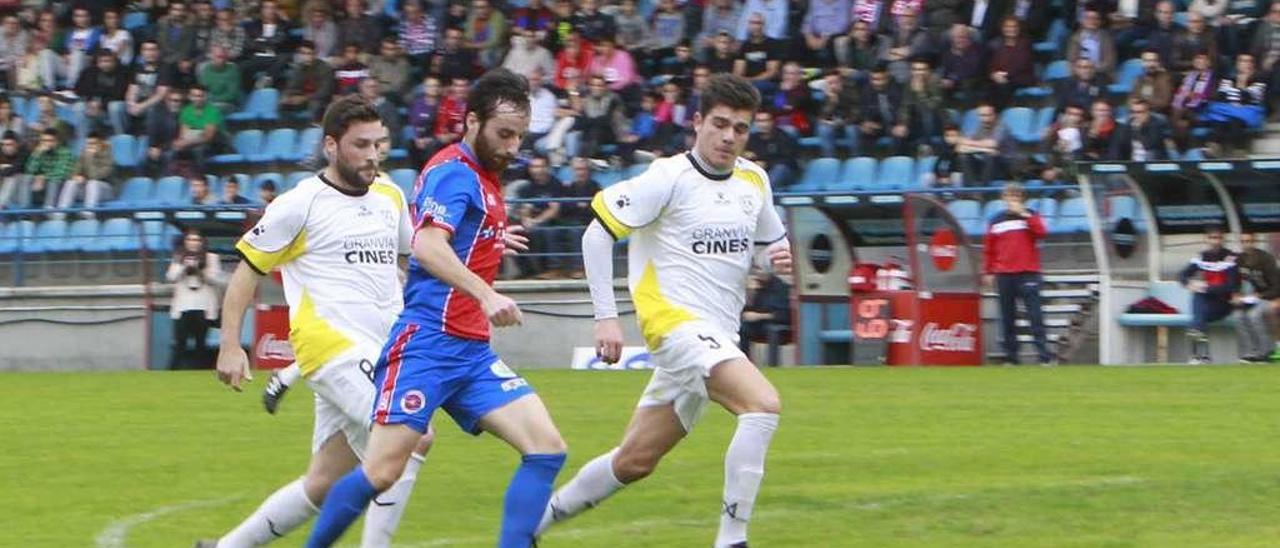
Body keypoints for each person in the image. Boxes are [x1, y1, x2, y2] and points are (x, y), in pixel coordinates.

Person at [305, 68, 567, 548]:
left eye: (520, 137)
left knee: (547, 449)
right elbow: (427, 246)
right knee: (382, 471)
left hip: (471, 354)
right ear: (471, 122)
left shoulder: (484, 178)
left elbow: (452, 236)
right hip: (426, 344)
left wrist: (489, 236)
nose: (513, 147)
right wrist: (487, 295)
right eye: (503, 134)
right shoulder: (454, 173)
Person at [538, 73, 792, 548]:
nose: (729, 136)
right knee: (762, 405)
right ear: (697, 122)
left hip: (717, 336)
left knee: (634, 461)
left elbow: (765, 246)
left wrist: (773, 258)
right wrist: (605, 316)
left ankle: (529, 527)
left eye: (740, 128)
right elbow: (596, 234)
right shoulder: (667, 178)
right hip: (673, 326)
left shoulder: (754, 181)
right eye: (720, 124)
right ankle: (732, 539)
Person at [197, 95, 434, 548]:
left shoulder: (389, 194)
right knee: (411, 435)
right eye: (360, 144)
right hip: (329, 348)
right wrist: (231, 345)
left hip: (381, 352)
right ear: (331, 146)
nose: (372, 155)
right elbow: (247, 271)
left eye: (378, 144)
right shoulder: (300, 203)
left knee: (324, 482)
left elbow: (413, 257)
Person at [982, 182, 1053, 366]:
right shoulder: (996, 221)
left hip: (1027, 272)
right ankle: (1011, 357)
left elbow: (1042, 232)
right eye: (1009, 197)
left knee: (1035, 316)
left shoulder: (1030, 216)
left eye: (1016, 197)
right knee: (1007, 316)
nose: (1012, 200)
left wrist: (1025, 215)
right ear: (1003, 199)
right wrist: (989, 271)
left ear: (1022, 199)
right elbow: (989, 249)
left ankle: (1044, 356)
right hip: (1004, 273)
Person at [1179, 225, 1239, 364]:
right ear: (1206, 239)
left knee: (1197, 315)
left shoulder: (1230, 258)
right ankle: (1203, 356)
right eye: (1212, 238)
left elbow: (1231, 287)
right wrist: (1190, 283)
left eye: (1218, 238)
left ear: (1223, 239)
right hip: (1206, 304)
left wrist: (1206, 288)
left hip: (1224, 304)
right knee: (1198, 307)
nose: (1215, 242)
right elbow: (1182, 275)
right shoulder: (1202, 256)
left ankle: (1198, 355)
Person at [167, 229, 225, 369]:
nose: (193, 243)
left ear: (202, 242)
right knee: (180, 342)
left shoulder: (211, 257)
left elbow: (217, 280)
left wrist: (200, 271)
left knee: (201, 343)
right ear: (185, 242)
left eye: (197, 240)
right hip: (183, 306)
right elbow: (170, 277)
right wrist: (184, 267)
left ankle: (200, 370)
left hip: (203, 306)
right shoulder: (179, 257)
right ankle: (174, 371)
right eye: (190, 240)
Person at [1234, 232, 1280, 362]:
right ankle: (1250, 352)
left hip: (1271, 297)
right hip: (1254, 298)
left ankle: (1265, 352)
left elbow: (1277, 286)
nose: (1246, 245)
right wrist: (1237, 295)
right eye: (1243, 242)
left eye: (1249, 241)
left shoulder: (1266, 259)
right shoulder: (1240, 260)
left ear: (1255, 242)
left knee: (1254, 315)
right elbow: (1237, 282)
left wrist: (1261, 295)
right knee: (1238, 316)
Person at [739, 269, 792, 365]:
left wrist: (759, 316)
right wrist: (751, 294)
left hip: (777, 324)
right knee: (743, 328)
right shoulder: (760, 287)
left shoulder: (781, 288)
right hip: (760, 324)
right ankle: (745, 362)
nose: (757, 275)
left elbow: (784, 315)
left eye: (760, 271)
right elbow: (748, 310)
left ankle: (773, 366)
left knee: (772, 330)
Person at [55, 131, 114, 217]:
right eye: (88, 144)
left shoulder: (108, 156)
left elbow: (95, 176)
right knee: (71, 182)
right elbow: (74, 172)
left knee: (92, 183)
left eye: (93, 143)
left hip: (105, 190)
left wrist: (90, 158)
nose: (90, 146)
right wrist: (77, 177)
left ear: (101, 143)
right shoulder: (84, 153)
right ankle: (61, 212)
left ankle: (89, 211)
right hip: (87, 188)